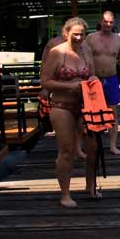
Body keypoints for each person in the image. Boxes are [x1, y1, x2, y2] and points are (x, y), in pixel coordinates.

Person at [40, 17, 99, 207]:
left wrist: (92, 80)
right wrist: (69, 86)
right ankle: (65, 194)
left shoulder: (86, 51)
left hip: (86, 105)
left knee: (93, 147)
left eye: (82, 34)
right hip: (61, 106)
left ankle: (90, 185)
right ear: (66, 33)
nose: (79, 38)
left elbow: (91, 73)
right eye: (75, 34)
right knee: (66, 150)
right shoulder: (57, 53)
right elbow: (46, 81)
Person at [86, 10, 120, 156]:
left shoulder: (118, 40)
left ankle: (113, 145)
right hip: (94, 79)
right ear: (100, 21)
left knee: (113, 113)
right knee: (93, 113)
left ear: (114, 23)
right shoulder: (90, 38)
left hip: (111, 78)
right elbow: (84, 58)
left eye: (111, 22)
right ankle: (93, 145)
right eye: (105, 22)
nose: (108, 25)